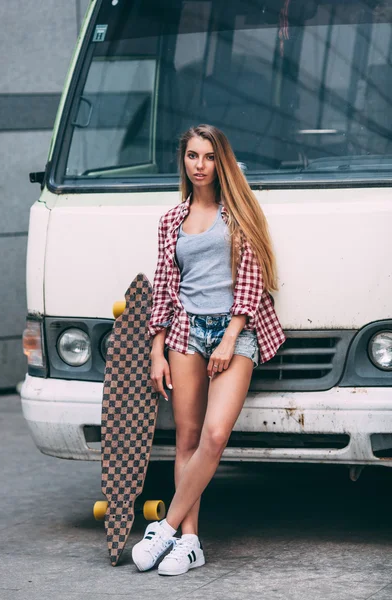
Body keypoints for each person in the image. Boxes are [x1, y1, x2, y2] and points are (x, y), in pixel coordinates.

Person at [132, 124, 285, 576]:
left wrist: (230, 336)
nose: (200, 165)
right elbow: (164, 287)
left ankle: (167, 525)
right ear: (184, 161)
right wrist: (157, 350)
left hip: (237, 331)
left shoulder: (238, 212)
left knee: (215, 436)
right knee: (187, 438)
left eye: (209, 157)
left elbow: (254, 280)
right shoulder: (171, 220)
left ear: (222, 162)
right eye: (193, 156)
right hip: (185, 332)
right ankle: (190, 543)